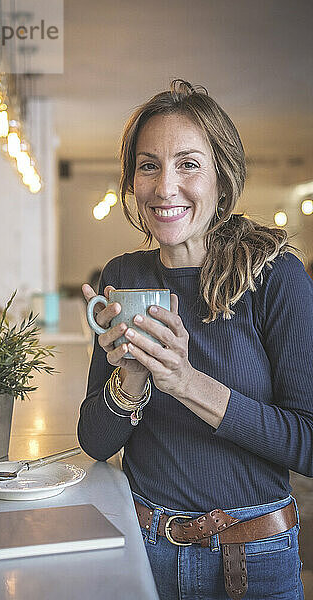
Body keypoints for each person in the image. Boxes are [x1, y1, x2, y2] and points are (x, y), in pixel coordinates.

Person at [78, 79, 313, 600]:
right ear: (132, 182)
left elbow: (308, 441)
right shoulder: (125, 274)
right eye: (148, 166)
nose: (165, 187)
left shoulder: (275, 277)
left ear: (221, 179)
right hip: (142, 545)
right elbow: (95, 442)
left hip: (252, 558)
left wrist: (185, 382)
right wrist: (132, 379)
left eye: (188, 164)